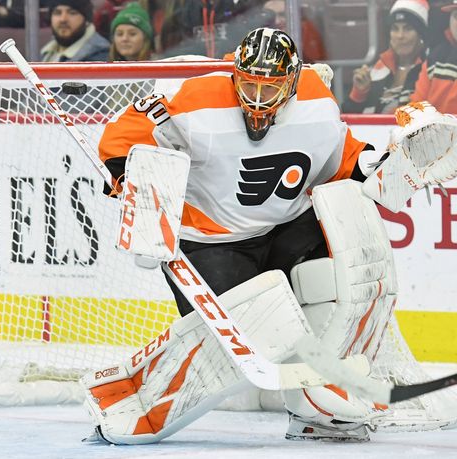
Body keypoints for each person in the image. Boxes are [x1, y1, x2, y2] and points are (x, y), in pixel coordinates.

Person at [95, 27, 386, 442]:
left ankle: (315, 405)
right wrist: (130, 178)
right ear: (235, 74)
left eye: (269, 89)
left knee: (331, 277)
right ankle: (132, 393)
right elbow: (123, 135)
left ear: (292, 81)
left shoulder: (316, 98)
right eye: (248, 85)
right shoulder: (195, 100)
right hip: (208, 241)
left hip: (283, 227)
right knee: (249, 337)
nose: (257, 99)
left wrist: (383, 166)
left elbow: (344, 158)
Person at [343, 0, 428, 114]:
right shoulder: (380, 67)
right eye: (395, 29)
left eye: (408, 28)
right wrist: (359, 92)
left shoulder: (431, 69)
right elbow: (347, 117)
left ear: (421, 34)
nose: (400, 35)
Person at [40, 0, 110, 62]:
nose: (63, 19)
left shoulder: (100, 57)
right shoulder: (47, 53)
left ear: (86, 20)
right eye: (57, 13)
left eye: (72, 13)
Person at [261, 0, 326, 62]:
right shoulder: (258, 38)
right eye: (270, 16)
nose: (277, 21)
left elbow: (315, 61)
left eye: (282, 15)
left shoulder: (306, 31)